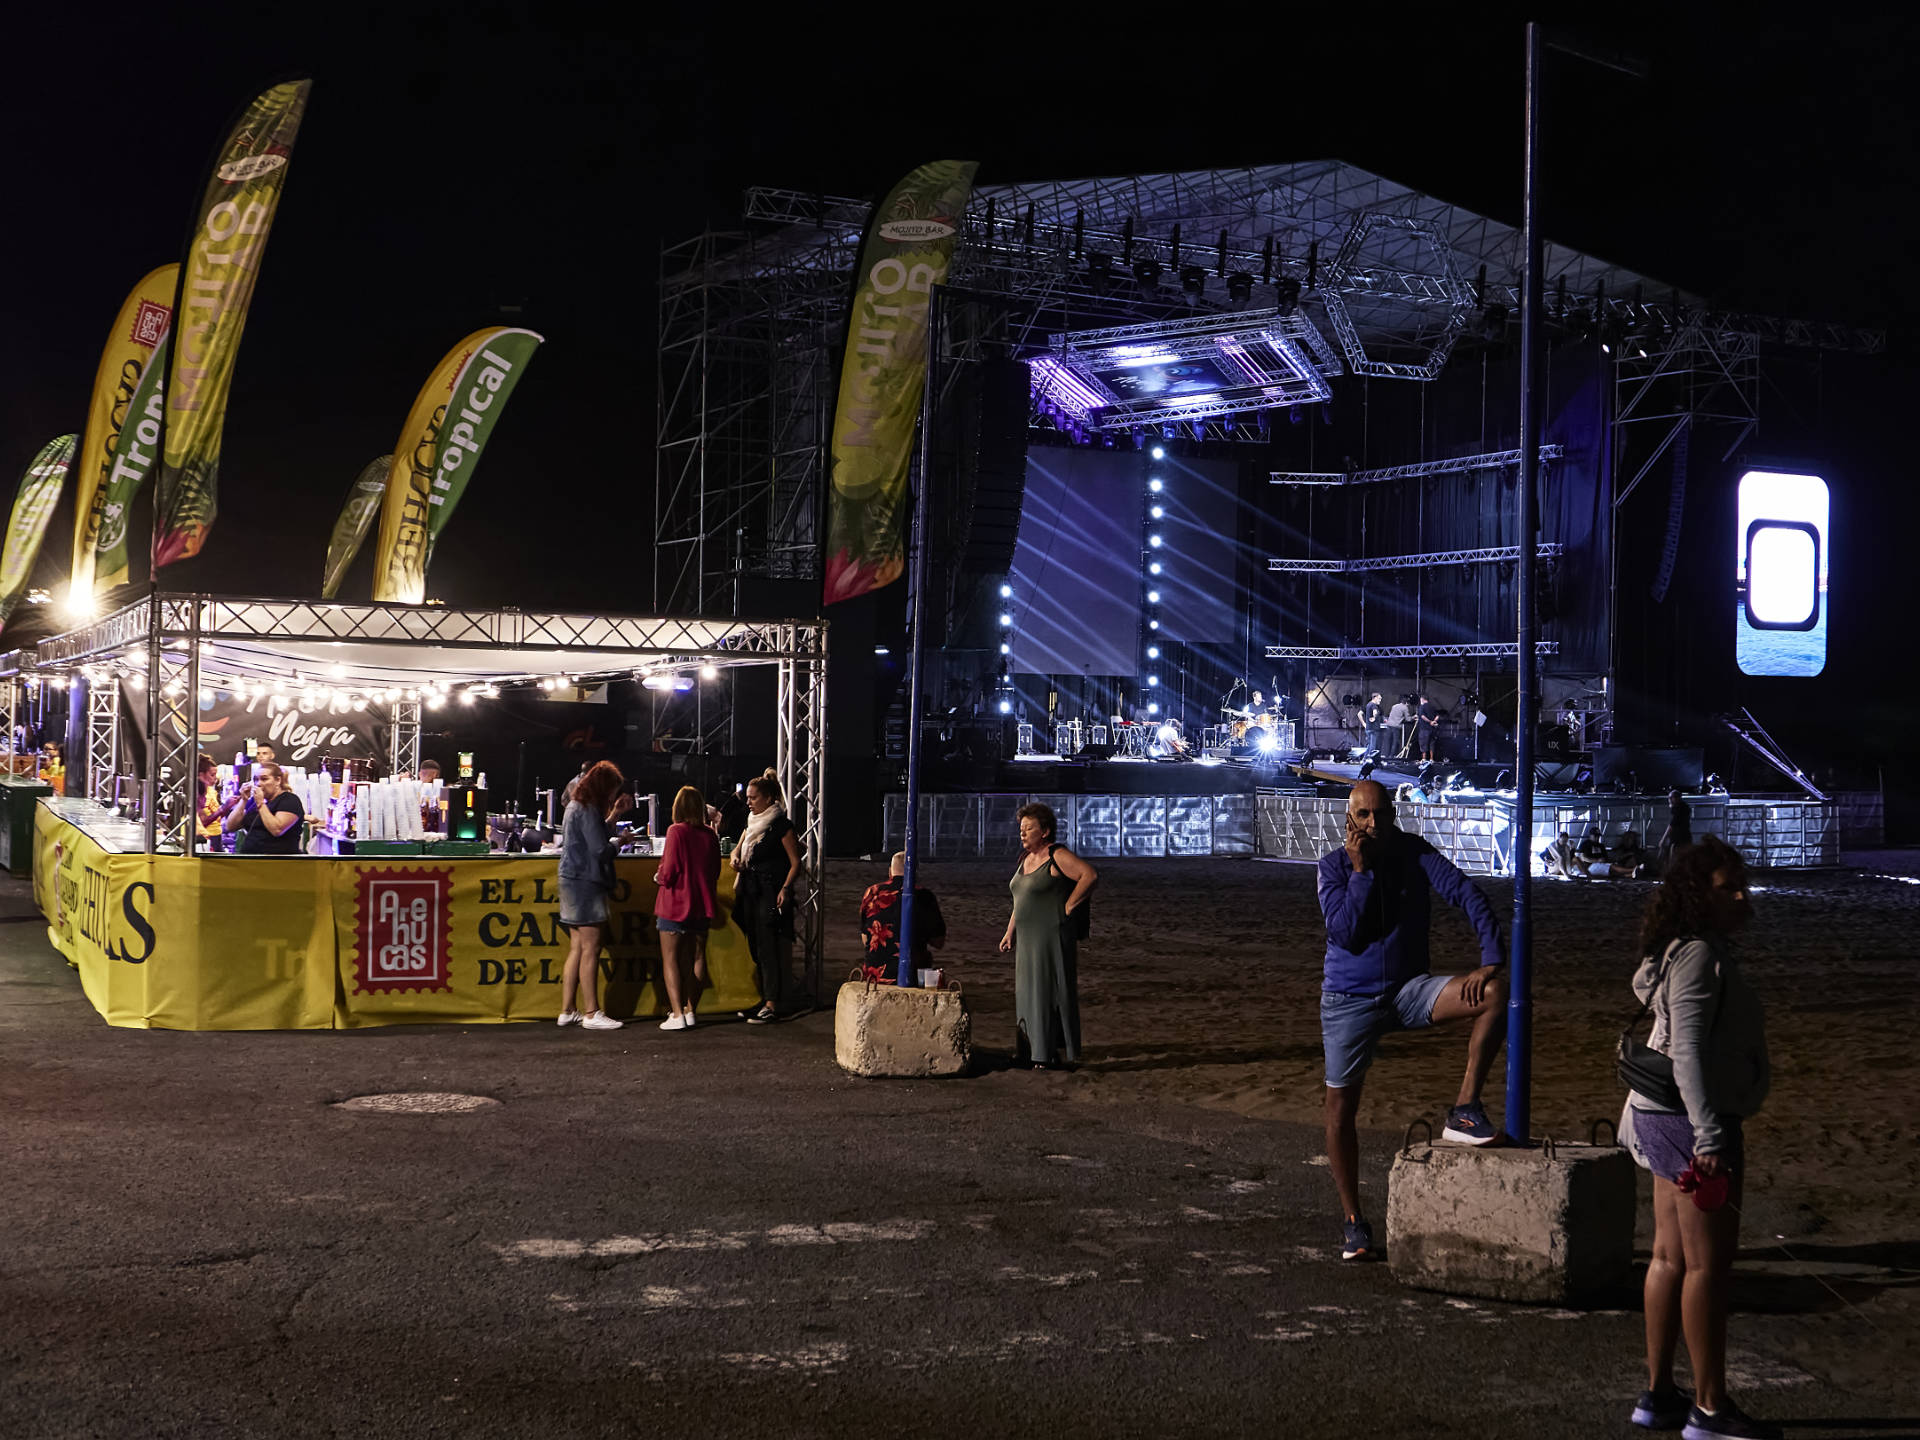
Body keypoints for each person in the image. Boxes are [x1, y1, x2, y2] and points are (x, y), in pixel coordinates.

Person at [1619, 837, 1775, 1439]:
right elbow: (1687, 1049)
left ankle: (1659, 1395)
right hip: (1693, 1123)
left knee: (1666, 1256)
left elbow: (1647, 997)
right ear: (1696, 897)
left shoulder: (1672, 952)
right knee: (1707, 1268)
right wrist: (1710, 1136)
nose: (1742, 895)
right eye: (1727, 886)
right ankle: (1709, 1409)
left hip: (1661, 1117)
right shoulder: (1698, 956)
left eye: (1743, 882)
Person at [1317, 778, 1507, 1263]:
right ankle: (1354, 1221)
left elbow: (1467, 893)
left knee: (1494, 995)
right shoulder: (1333, 868)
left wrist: (1489, 957)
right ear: (1349, 820)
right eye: (1364, 816)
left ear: (1393, 814)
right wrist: (1361, 873)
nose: (1374, 824)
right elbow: (1346, 934)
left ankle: (1464, 1108)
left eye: (1381, 814)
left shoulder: (1414, 853)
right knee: (1339, 1110)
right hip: (1348, 999)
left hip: (1407, 991)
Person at [998, 802, 1097, 1068]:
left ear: (1045, 831)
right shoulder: (1025, 860)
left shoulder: (1057, 855)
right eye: (1021, 828)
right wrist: (1010, 933)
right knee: (1028, 992)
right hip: (1028, 939)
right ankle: (1029, 1050)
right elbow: (1021, 900)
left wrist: (1069, 905)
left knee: (1049, 991)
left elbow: (1089, 875)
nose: (1023, 833)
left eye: (1029, 828)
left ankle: (1050, 1052)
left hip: (1051, 934)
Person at [556, 760, 633, 1031]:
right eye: (612, 790)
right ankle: (591, 1013)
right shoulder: (587, 808)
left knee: (577, 948)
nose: (613, 795)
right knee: (592, 948)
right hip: (585, 882)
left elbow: (592, 835)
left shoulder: (576, 805)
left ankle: (567, 1010)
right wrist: (620, 842)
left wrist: (612, 816)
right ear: (603, 787)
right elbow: (600, 850)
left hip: (570, 880)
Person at [731, 768, 803, 1024]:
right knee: (754, 946)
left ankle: (772, 1002)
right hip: (750, 891)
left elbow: (796, 862)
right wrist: (736, 859)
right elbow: (736, 852)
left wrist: (785, 888)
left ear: (768, 798)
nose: (748, 802)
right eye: (747, 798)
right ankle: (762, 998)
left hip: (770, 892)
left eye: (752, 798)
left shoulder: (781, 825)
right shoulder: (751, 824)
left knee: (767, 947)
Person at [653, 785, 720, 1032]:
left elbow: (668, 873)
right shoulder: (710, 835)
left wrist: (658, 877)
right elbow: (714, 872)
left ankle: (677, 1014)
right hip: (701, 905)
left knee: (670, 960)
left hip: (674, 904)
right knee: (698, 957)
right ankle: (692, 1010)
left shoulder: (675, 832)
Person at [860, 852, 947, 984]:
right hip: (911, 975)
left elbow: (865, 938)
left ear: (890, 871)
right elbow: (939, 942)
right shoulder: (924, 896)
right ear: (915, 872)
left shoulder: (872, 893)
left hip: (874, 976)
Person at [221, 762, 306, 855]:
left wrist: (261, 804)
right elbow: (230, 826)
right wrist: (243, 800)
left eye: (264, 779)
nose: (259, 784)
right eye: (256, 780)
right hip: (250, 860)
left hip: (276, 861)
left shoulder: (289, 800)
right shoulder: (253, 801)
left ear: (278, 780)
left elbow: (277, 830)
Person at [1658, 788, 1693, 873]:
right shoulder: (1685, 807)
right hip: (1685, 837)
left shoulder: (1678, 809)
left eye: (1671, 798)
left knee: (1673, 858)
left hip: (1678, 838)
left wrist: (1663, 839)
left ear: (1676, 798)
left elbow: (1672, 825)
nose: (1669, 800)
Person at [1416, 694, 1441, 762]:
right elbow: (1438, 716)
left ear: (1422, 699)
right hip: (1432, 729)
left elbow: (1422, 716)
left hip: (1424, 729)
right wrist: (1434, 721)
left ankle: (1424, 759)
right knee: (1431, 744)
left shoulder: (1422, 707)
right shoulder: (1433, 706)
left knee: (1423, 743)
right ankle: (1431, 759)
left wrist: (1430, 722)